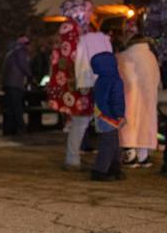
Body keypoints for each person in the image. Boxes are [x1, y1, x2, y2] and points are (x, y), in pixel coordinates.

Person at [46, 18, 95, 171]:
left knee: (77, 125)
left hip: (68, 94)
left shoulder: (59, 48)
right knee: (80, 125)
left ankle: (73, 158)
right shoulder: (79, 48)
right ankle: (72, 159)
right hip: (80, 94)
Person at [117, 35, 160, 168]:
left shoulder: (125, 56)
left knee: (130, 124)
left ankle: (130, 156)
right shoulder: (150, 56)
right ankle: (144, 157)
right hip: (149, 96)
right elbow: (157, 77)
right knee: (146, 125)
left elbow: (124, 77)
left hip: (130, 96)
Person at [90, 52, 126, 181]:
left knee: (113, 142)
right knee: (109, 144)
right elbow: (117, 99)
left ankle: (114, 167)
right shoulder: (115, 80)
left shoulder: (100, 79)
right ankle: (100, 170)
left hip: (101, 114)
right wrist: (119, 115)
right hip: (111, 116)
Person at [1, 36, 33, 136]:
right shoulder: (21, 51)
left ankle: (10, 128)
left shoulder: (11, 52)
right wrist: (30, 75)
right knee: (17, 107)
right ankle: (21, 128)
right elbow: (23, 65)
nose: (30, 47)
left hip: (8, 83)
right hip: (15, 83)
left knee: (11, 107)